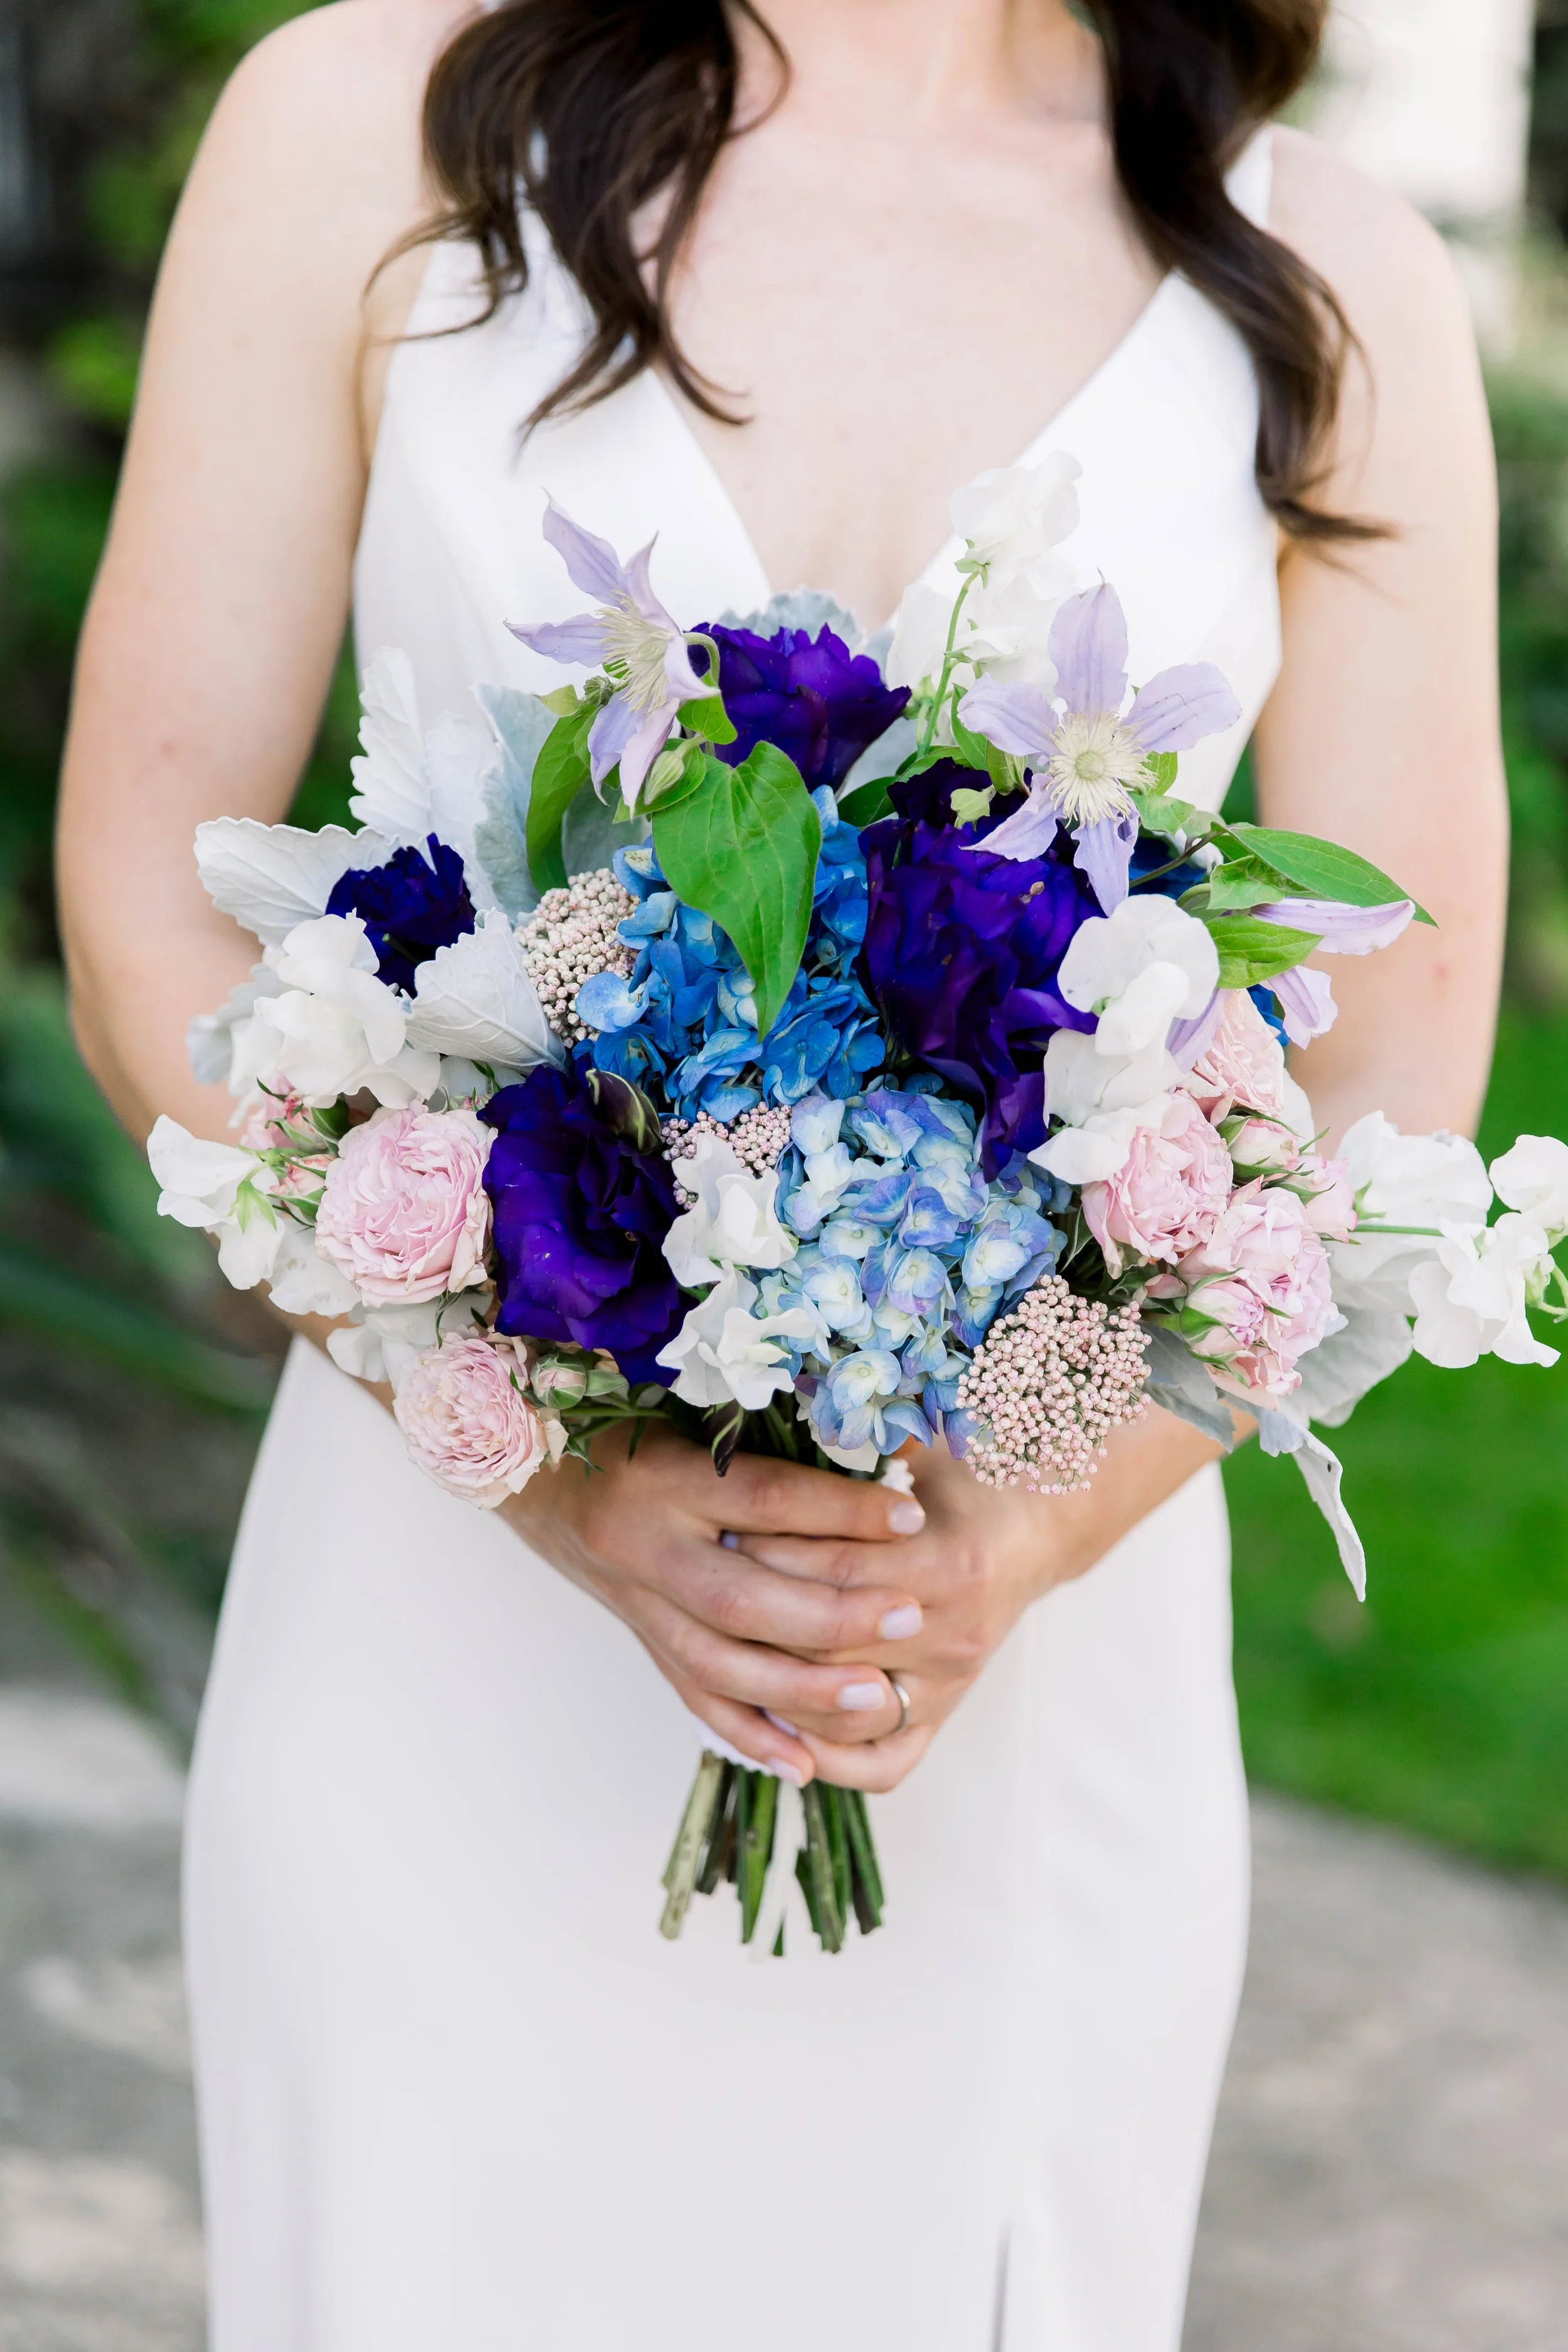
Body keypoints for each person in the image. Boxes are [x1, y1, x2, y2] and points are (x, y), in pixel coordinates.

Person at [55, 1, 1506, 2345]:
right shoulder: (364, 129)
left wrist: (1004, 1527)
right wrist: (545, 1467)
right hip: (443, 1631)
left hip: (1013, 1696)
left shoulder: (1322, 275)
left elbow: (1396, 1057)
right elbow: (148, 893)